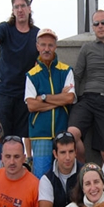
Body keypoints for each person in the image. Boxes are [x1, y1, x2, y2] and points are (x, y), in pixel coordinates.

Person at [0, 0, 39, 162]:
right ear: (13, 10)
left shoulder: (36, 34)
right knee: (2, 136)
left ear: (29, 8)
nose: (20, 10)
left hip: (25, 94)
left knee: (20, 137)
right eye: (16, 7)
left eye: (22, 6)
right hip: (4, 92)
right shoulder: (5, 28)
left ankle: (20, 168)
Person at [68, 10, 104, 163]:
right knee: (71, 134)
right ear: (93, 27)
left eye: (103, 23)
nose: (100, 26)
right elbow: (77, 75)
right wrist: (70, 95)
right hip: (87, 99)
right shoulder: (86, 48)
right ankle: (83, 172)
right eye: (96, 24)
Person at [25, 28, 76, 178]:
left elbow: (69, 99)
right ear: (37, 47)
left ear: (55, 47)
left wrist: (43, 97)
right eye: (43, 45)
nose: (46, 49)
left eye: (50, 45)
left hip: (62, 130)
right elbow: (31, 106)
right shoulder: (31, 75)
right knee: (42, 177)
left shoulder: (66, 70)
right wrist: (58, 100)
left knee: (64, 175)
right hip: (40, 133)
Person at [38, 131, 83, 207]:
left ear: (76, 152)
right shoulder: (47, 179)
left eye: (71, 151)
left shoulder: (86, 173)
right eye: (63, 152)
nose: (68, 157)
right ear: (55, 154)